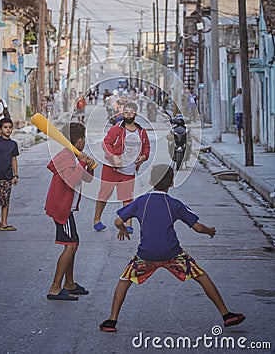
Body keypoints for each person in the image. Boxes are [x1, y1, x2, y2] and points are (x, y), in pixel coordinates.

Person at [99, 164, 246, 332]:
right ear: (172, 183)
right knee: (201, 276)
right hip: (173, 254)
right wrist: (209, 231)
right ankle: (226, 314)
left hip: (146, 255)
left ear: (150, 181)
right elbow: (197, 227)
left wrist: (123, 229)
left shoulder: (141, 201)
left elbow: (118, 221)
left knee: (124, 281)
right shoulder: (174, 204)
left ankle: (111, 321)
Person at [45, 122, 95, 300]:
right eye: (84, 139)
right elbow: (72, 181)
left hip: (68, 208)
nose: (85, 142)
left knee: (74, 244)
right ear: (79, 140)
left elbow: (87, 179)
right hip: (62, 208)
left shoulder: (74, 156)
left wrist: (88, 166)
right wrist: (82, 163)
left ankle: (70, 283)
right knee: (70, 246)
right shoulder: (66, 157)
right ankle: (55, 287)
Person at [93, 102, 150, 234]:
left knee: (127, 198)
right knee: (104, 195)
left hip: (129, 170)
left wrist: (144, 157)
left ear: (135, 114)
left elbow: (146, 148)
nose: (128, 114)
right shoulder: (116, 129)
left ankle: (128, 224)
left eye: (131, 112)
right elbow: (106, 143)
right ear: (123, 114)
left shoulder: (141, 132)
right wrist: (113, 157)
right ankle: (97, 220)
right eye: (126, 112)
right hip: (111, 168)